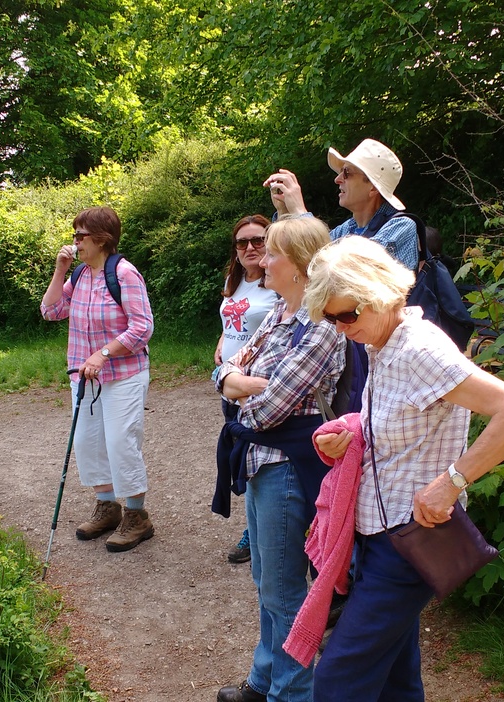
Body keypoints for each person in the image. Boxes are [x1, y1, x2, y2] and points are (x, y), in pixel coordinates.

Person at [301, 235, 504, 702]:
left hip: (409, 541)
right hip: (378, 535)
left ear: (379, 292)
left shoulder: (420, 351)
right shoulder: (381, 343)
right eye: (330, 318)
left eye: (347, 314)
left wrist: (452, 482)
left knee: (338, 680)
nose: (341, 328)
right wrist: (351, 432)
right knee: (395, 679)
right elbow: (404, 422)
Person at [214, 216, 345, 702]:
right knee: (266, 581)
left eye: (271, 252)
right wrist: (241, 383)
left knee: (285, 590)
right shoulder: (279, 315)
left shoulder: (321, 328)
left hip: (289, 468)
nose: (261, 261)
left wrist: (239, 387)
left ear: (300, 264)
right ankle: (265, 679)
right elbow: (224, 369)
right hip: (260, 460)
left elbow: (266, 412)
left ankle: (290, 694)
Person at [40, 206, 156, 553]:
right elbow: (50, 311)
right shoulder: (79, 274)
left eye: (81, 235)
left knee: (121, 442)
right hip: (84, 377)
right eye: (75, 235)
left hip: (123, 375)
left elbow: (143, 327)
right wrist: (60, 270)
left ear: (102, 239)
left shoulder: (124, 273)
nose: (75, 241)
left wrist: (103, 353)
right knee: (88, 443)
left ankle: (136, 516)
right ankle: (107, 507)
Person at [216, 214, 279, 565]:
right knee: (241, 453)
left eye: (258, 241)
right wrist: (222, 341)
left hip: (257, 386)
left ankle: (257, 532)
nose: (250, 248)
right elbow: (233, 320)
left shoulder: (276, 282)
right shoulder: (234, 280)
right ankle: (255, 526)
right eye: (242, 242)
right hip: (230, 381)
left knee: (258, 457)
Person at [263, 138, 419, 271]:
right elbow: (301, 261)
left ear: (373, 187)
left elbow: (343, 273)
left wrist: (299, 212)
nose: (337, 179)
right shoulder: (346, 229)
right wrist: (285, 213)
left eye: (346, 173)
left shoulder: (402, 227)